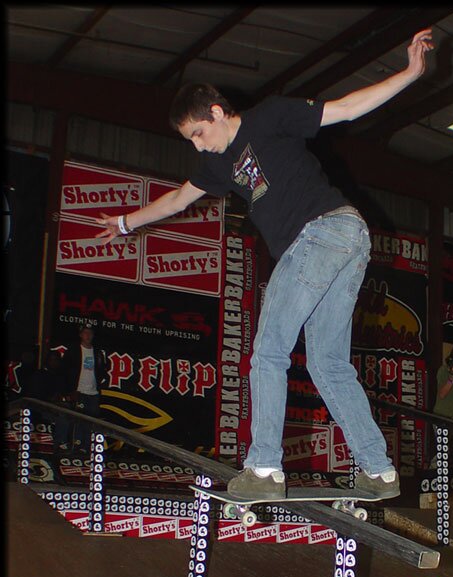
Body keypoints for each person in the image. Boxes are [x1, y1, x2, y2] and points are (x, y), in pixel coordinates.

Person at [97, 29, 434, 500]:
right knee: (328, 362)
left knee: (269, 350)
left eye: (199, 133)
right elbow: (177, 199)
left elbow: (346, 108)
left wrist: (410, 72)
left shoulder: (269, 116)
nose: (198, 146)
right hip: (346, 241)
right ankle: (378, 471)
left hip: (325, 231)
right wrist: (126, 222)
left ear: (216, 112)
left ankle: (264, 469)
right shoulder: (217, 166)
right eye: (189, 141)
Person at [59, 324, 108, 453]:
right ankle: (75, 447)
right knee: (77, 421)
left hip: (93, 392)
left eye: (90, 333)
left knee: (91, 422)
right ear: (80, 335)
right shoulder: (73, 350)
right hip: (78, 391)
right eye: (85, 333)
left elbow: (101, 370)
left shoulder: (97, 352)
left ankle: (86, 448)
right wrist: (69, 391)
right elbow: (64, 372)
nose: (88, 335)